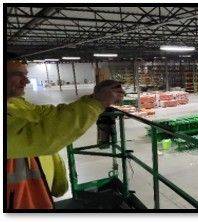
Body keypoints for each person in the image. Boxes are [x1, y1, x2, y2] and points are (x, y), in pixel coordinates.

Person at [5, 54, 125, 209]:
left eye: (25, 75)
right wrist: (97, 103)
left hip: (35, 197)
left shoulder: (14, 104)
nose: (26, 81)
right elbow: (43, 136)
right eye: (17, 75)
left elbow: (49, 114)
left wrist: (93, 98)